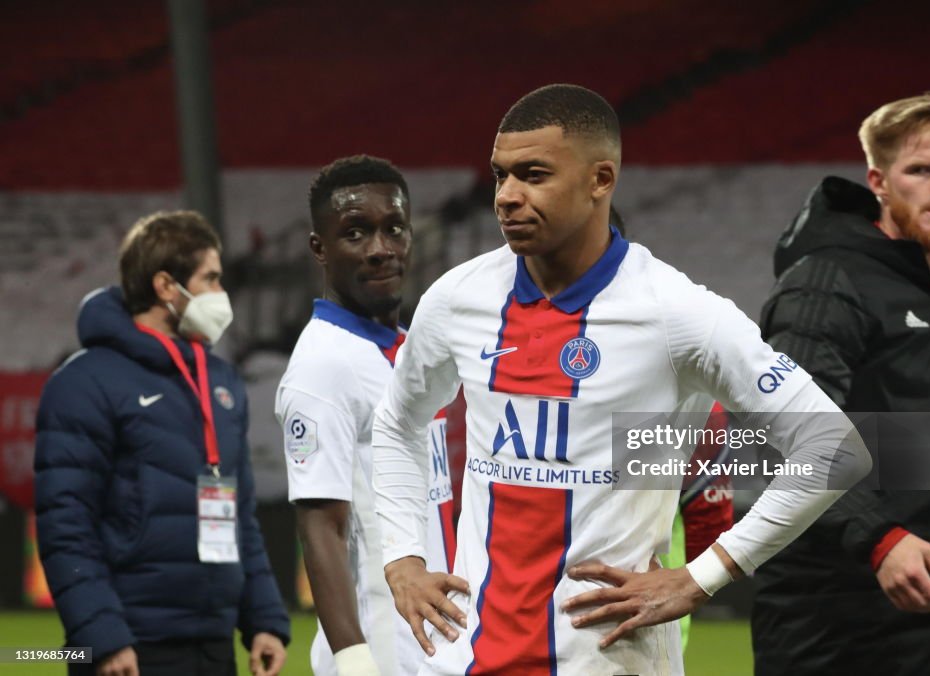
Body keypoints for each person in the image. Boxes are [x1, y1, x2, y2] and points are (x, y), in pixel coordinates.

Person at [372, 83, 871, 675]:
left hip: (607, 660)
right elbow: (398, 421)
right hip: (465, 657)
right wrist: (402, 556)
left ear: (600, 180)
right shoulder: (458, 297)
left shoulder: (676, 313)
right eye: (500, 176)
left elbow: (834, 447)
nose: (507, 196)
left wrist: (703, 577)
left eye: (533, 174)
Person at [751, 94, 930, 675]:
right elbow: (786, 431)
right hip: (825, 613)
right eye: (921, 170)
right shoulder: (825, 280)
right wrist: (880, 539)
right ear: (880, 182)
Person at [34, 211, 290, 676]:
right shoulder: (84, 382)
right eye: (210, 279)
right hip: (130, 645)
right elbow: (65, 525)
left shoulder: (221, 382)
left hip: (212, 644)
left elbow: (241, 517)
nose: (221, 295)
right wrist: (102, 639)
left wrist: (265, 619)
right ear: (166, 287)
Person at [275, 156, 456, 676]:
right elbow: (320, 527)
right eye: (355, 233)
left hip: (432, 640)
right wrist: (355, 662)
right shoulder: (324, 365)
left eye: (393, 229)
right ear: (320, 249)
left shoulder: (407, 351)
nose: (381, 249)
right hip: (380, 649)